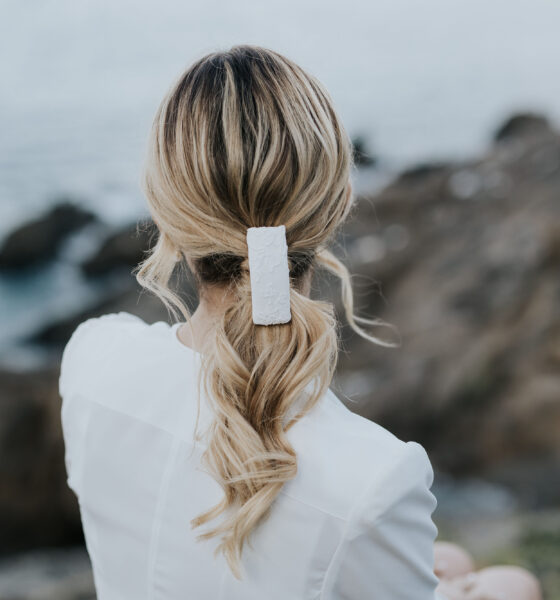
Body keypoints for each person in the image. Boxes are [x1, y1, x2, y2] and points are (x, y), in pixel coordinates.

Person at [59, 45, 541, 600]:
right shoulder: (376, 480)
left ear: (166, 211)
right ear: (337, 202)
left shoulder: (91, 360)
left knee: (448, 560)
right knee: (509, 583)